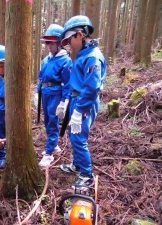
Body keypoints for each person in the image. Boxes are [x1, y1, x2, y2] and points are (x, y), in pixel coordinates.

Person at [58, 15, 107, 190]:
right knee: (74, 134)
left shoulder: (92, 56)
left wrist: (79, 111)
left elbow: (92, 88)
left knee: (79, 138)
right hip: (76, 98)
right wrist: (66, 102)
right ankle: (77, 165)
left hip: (84, 101)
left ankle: (87, 175)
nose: (69, 44)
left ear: (79, 34)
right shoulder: (83, 54)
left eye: (69, 40)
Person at [36, 24, 72, 167]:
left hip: (56, 94)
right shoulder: (46, 60)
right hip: (45, 93)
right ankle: (54, 144)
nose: (49, 46)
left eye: (51, 42)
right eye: (47, 43)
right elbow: (41, 78)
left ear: (59, 43)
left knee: (52, 122)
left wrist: (64, 102)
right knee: (47, 121)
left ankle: (49, 153)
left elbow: (68, 84)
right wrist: (37, 93)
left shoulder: (65, 60)